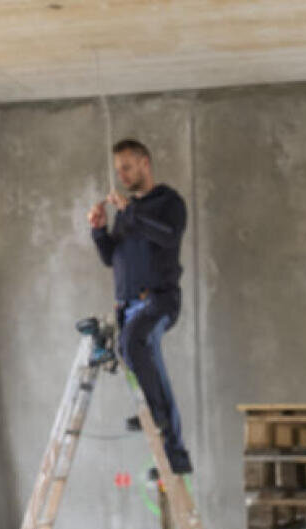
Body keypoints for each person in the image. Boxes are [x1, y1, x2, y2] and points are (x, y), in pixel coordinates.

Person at [87, 138, 192, 474]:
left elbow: (167, 236)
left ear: (145, 163)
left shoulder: (168, 202)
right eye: (119, 170)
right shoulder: (128, 211)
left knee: (132, 343)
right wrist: (99, 230)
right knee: (140, 354)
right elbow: (111, 257)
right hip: (129, 306)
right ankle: (172, 452)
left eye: (128, 167)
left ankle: (159, 417)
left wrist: (131, 212)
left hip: (159, 301)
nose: (123, 175)